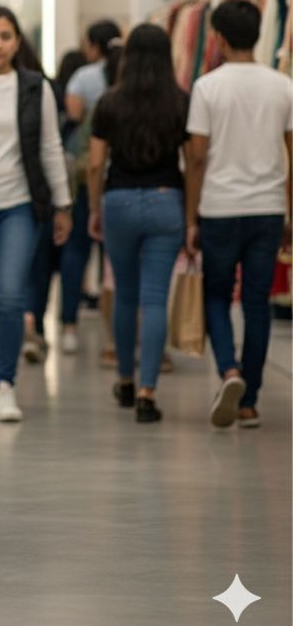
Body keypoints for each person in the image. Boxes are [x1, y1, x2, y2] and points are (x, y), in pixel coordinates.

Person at [185, 0, 292, 429]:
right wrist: (289, 213)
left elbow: (196, 157)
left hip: (220, 206)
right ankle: (249, 401)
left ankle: (229, 370)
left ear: (219, 38)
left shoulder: (207, 87)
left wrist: (191, 217)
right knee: (256, 302)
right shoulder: (283, 86)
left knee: (217, 293)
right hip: (268, 207)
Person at [87, 24, 190, 424]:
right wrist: (192, 213)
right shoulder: (180, 102)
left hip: (120, 202)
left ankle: (125, 380)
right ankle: (148, 391)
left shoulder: (110, 102)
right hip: (167, 201)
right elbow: (194, 159)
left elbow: (96, 163)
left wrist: (95, 209)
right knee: (155, 298)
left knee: (125, 295)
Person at [0, 7, 72, 423]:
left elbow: (50, 145)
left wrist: (62, 203)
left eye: (5, 36)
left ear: (17, 42)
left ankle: (6, 383)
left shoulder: (34, 86)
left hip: (19, 204)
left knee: (10, 295)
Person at [59, 19, 123, 352]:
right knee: (116, 261)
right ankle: (115, 334)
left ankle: (69, 325)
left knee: (76, 250)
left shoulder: (84, 77)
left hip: (88, 174)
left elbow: (73, 114)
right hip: (124, 178)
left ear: (94, 45)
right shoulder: (133, 72)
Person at [23, 46, 86, 362]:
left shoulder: (38, 91)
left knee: (40, 264)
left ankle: (34, 325)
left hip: (34, 190)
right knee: (74, 255)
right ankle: (69, 326)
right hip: (72, 189)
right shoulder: (47, 91)